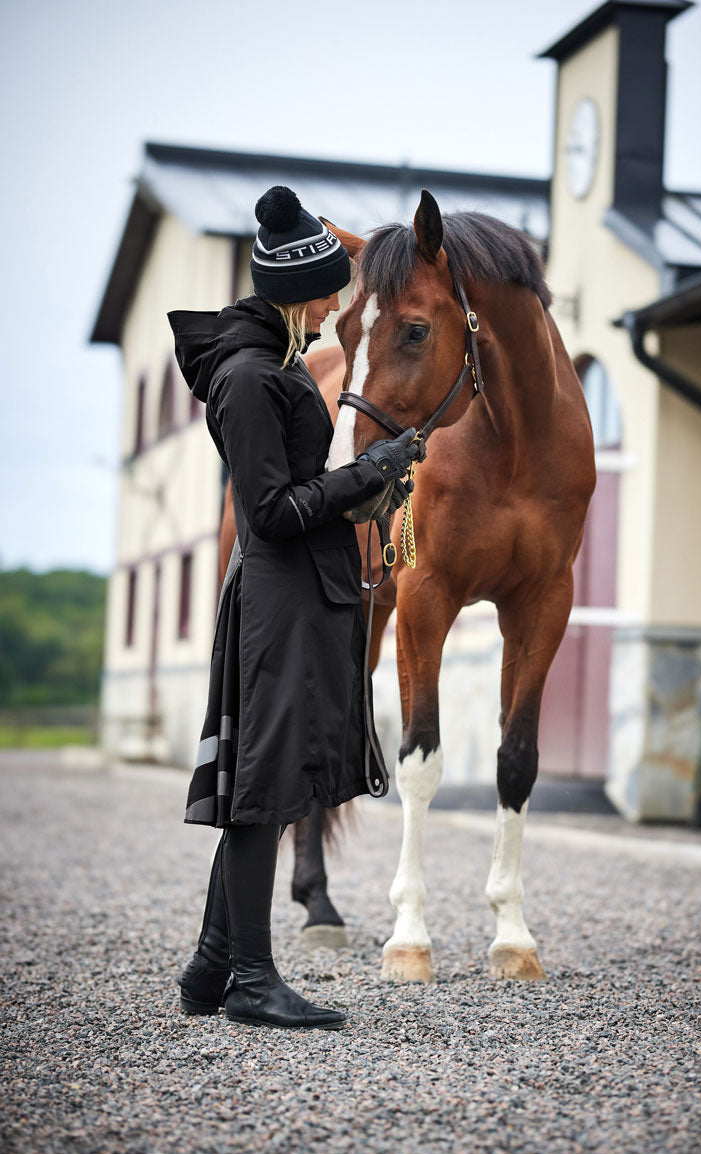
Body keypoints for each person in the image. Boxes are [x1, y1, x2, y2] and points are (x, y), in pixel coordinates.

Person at [168, 186, 424, 1029]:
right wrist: (368, 470)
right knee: (262, 792)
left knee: (267, 783)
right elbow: (270, 512)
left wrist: (375, 486)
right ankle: (249, 979)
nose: (332, 310)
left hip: (301, 597)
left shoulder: (272, 368)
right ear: (293, 293)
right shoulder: (247, 379)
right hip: (276, 602)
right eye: (325, 295)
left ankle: (212, 969)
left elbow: (300, 497)